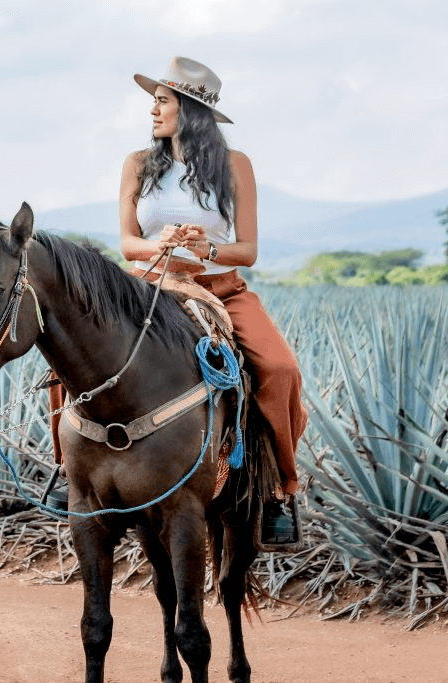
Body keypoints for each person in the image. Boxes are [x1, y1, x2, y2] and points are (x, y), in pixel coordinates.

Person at [118, 56, 307, 539]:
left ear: (190, 109)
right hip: (149, 287)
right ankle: (71, 477)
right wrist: (160, 244)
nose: (153, 110)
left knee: (280, 369)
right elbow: (126, 243)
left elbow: (248, 250)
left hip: (220, 289)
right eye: (154, 101)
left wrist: (208, 247)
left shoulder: (234, 164)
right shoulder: (137, 165)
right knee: (68, 355)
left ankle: (279, 490)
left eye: (162, 100)